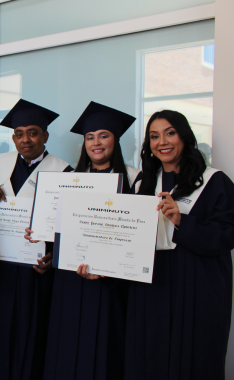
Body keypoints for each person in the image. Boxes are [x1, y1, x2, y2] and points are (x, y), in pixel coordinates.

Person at [124, 110, 234, 380]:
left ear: (184, 136)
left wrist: (182, 221)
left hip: (198, 290)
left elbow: (227, 235)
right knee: (150, 359)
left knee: (195, 360)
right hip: (151, 290)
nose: (162, 141)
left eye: (170, 133)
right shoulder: (143, 182)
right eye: (154, 136)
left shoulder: (214, 181)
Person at [42, 102, 141, 380]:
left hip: (111, 279)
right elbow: (58, 226)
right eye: (89, 137)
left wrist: (109, 266)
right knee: (69, 338)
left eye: (103, 135)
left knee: (106, 342)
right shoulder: (70, 179)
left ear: (116, 139)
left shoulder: (135, 179)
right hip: (71, 277)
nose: (96, 143)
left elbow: (137, 233)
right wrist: (49, 246)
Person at [0, 99, 72, 380]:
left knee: (34, 328)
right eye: (18, 133)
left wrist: (54, 256)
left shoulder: (64, 170)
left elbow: (69, 222)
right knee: (0, 323)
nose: (25, 139)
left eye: (32, 132)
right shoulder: (2, 162)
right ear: (13, 138)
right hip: (4, 262)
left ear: (45, 135)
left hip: (36, 268)